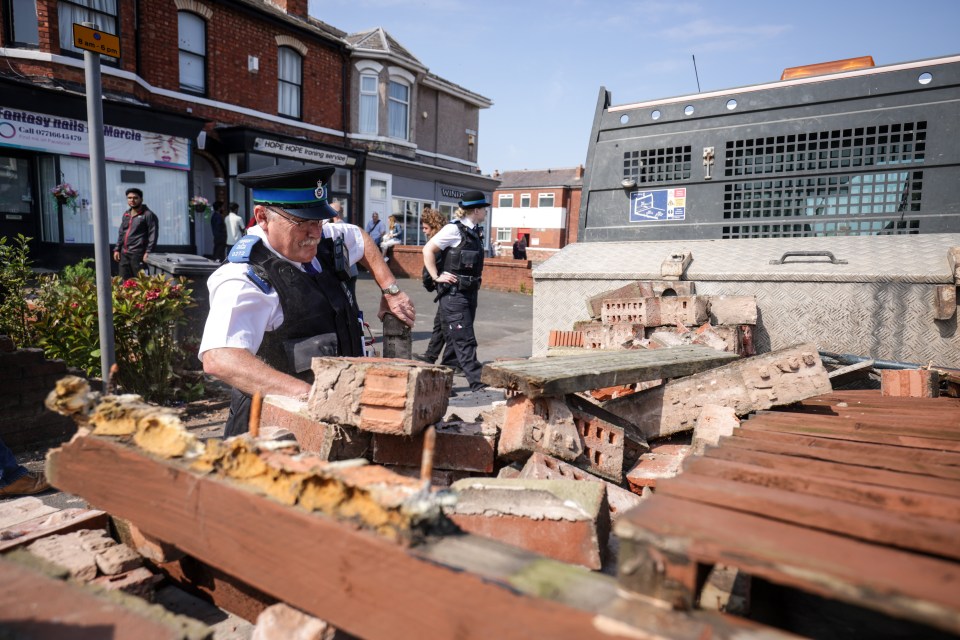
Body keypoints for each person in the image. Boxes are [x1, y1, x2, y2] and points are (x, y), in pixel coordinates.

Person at [199, 165, 415, 437]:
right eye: (301, 223)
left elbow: (359, 237)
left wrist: (390, 290)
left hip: (332, 420)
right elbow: (220, 358)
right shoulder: (243, 277)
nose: (314, 233)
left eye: (318, 220)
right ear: (262, 217)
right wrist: (310, 395)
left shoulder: (324, 239)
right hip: (271, 430)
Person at [423, 190, 490, 393]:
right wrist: (436, 276)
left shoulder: (475, 230)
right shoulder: (453, 229)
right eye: (484, 210)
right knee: (464, 338)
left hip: (469, 292)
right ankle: (477, 382)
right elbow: (427, 250)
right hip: (454, 294)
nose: (486, 213)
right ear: (476, 210)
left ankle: (444, 385)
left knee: (453, 340)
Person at [413, 208, 458, 370]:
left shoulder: (437, 244)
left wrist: (429, 282)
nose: (424, 232)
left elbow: (427, 271)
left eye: (426, 228)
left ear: (434, 226)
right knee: (440, 325)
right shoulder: (448, 240)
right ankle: (430, 356)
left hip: (446, 290)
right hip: (449, 288)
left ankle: (453, 363)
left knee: (447, 328)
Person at [113, 187, 158, 279]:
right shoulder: (126, 214)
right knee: (123, 282)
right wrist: (117, 249)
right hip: (124, 254)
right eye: (129, 198)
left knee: (141, 282)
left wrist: (148, 252)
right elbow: (122, 233)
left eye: (135, 198)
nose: (132, 200)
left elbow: (153, 234)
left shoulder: (148, 215)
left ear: (141, 199)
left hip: (138, 254)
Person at [329, 201, 358, 300]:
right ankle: (357, 315)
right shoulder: (352, 228)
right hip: (352, 270)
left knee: (343, 300)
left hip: (341, 270)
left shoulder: (331, 229)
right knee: (352, 299)